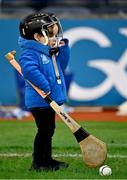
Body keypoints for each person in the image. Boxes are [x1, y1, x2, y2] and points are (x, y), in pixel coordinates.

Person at [18, 12, 70, 171]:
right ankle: (39, 163)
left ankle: (46, 160)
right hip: (40, 101)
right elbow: (29, 71)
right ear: (37, 37)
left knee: (48, 130)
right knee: (45, 131)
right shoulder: (30, 53)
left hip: (48, 100)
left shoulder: (48, 51)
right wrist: (45, 87)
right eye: (50, 34)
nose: (54, 37)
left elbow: (62, 66)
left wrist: (63, 49)